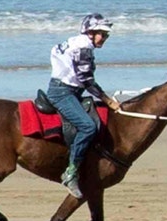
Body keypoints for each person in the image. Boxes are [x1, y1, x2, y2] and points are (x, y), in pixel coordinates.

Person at [44, 14, 118, 198]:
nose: (105, 39)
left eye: (106, 35)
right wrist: (108, 100)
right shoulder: (84, 47)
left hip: (69, 89)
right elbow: (87, 81)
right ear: (90, 32)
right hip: (63, 93)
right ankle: (70, 173)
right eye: (103, 34)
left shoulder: (74, 42)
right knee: (88, 126)